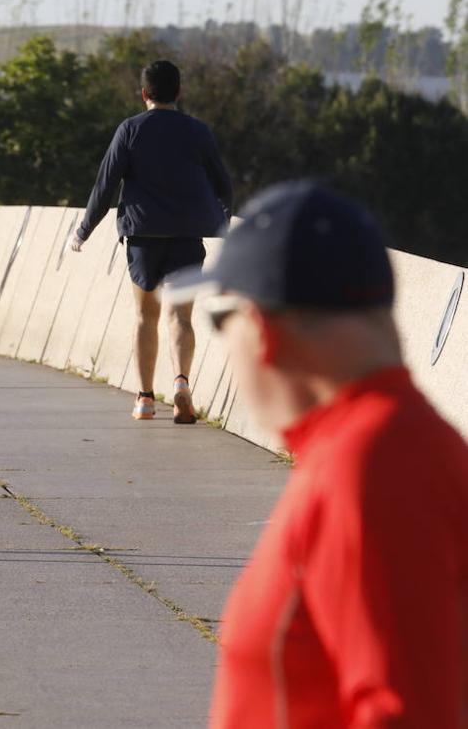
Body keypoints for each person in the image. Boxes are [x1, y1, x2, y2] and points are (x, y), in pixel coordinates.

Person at [161, 181, 468, 727]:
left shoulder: (374, 466)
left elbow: (406, 711)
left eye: (217, 321)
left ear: (261, 327)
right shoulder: (382, 446)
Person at [67, 59, 232, 422]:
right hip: (188, 234)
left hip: (143, 235)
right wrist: (220, 221)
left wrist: (83, 231)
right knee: (181, 316)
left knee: (145, 315)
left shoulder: (130, 130)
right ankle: (181, 382)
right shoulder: (198, 131)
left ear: (143, 93)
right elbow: (224, 185)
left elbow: (105, 185)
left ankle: (144, 399)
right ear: (179, 92)